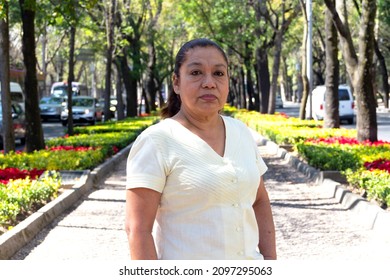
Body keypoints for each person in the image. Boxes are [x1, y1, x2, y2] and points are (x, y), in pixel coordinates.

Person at [125, 38, 276, 260]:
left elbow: (260, 200)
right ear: (176, 82)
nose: (209, 83)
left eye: (218, 73)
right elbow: (137, 230)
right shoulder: (157, 141)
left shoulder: (241, 132)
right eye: (196, 73)